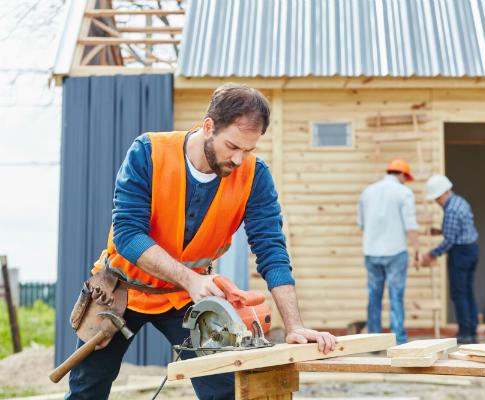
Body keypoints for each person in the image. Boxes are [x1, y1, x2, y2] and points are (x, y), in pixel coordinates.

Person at [66, 83, 337, 400]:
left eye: (248, 150)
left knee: (223, 390)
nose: (238, 160)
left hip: (186, 298)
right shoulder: (148, 153)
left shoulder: (255, 176)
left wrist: (294, 325)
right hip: (121, 291)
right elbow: (127, 234)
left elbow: (272, 251)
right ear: (209, 126)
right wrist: (190, 279)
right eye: (232, 146)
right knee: (87, 389)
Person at [357, 159, 419, 345]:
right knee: (396, 297)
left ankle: (374, 342)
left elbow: (361, 224)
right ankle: (399, 341)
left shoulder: (367, 192)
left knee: (374, 297)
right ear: (402, 175)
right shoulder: (404, 192)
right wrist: (416, 250)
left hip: (371, 251)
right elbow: (410, 225)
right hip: (396, 251)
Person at [421, 175, 479, 344]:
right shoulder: (460, 202)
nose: (437, 202)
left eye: (437, 198)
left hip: (460, 253)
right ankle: (472, 330)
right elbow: (459, 230)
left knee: (459, 293)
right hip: (472, 249)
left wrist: (431, 254)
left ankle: (465, 333)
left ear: (444, 193)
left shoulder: (451, 209)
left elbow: (450, 241)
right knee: (468, 291)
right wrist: (439, 231)